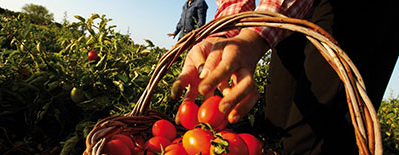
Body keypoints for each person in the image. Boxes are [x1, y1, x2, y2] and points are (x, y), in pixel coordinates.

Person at [170, 0, 398, 154]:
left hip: (363, 10)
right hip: (296, 8)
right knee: (274, 125)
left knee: (315, 137)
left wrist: (252, 37)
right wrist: (226, 35)